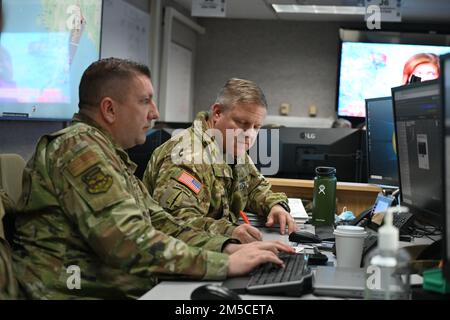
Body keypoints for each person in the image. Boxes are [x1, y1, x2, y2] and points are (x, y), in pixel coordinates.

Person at [11, 58, 293, 299]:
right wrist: (223, 263)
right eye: (145, 101)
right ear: (109, 109)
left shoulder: (110, 154)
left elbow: (160, 222)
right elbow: (128, 242)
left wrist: (226, 247)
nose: (155, 113)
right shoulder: (78, 148)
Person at [143, 78, 297, 244]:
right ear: (217, 113)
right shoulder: (187, 157)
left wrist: (275, 206)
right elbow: (175, 224)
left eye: (256, 127)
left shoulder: (230, 144)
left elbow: (254, 187)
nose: (249, 134)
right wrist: (231, 231)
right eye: (243, 123)